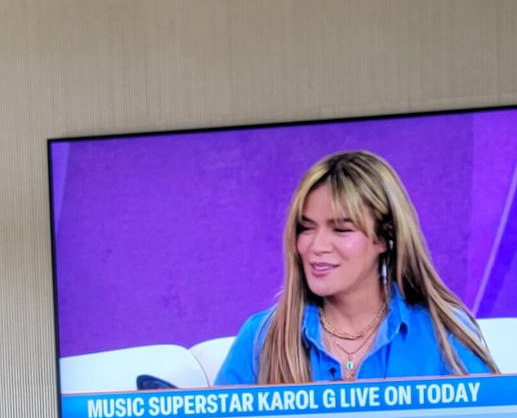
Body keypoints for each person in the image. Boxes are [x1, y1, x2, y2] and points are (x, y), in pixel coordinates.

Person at [212, 148, 496, 387]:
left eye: (341, 229)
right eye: (306, 228)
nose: (317, 246)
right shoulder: (261, 336)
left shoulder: (445, 332)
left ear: (385, 236)